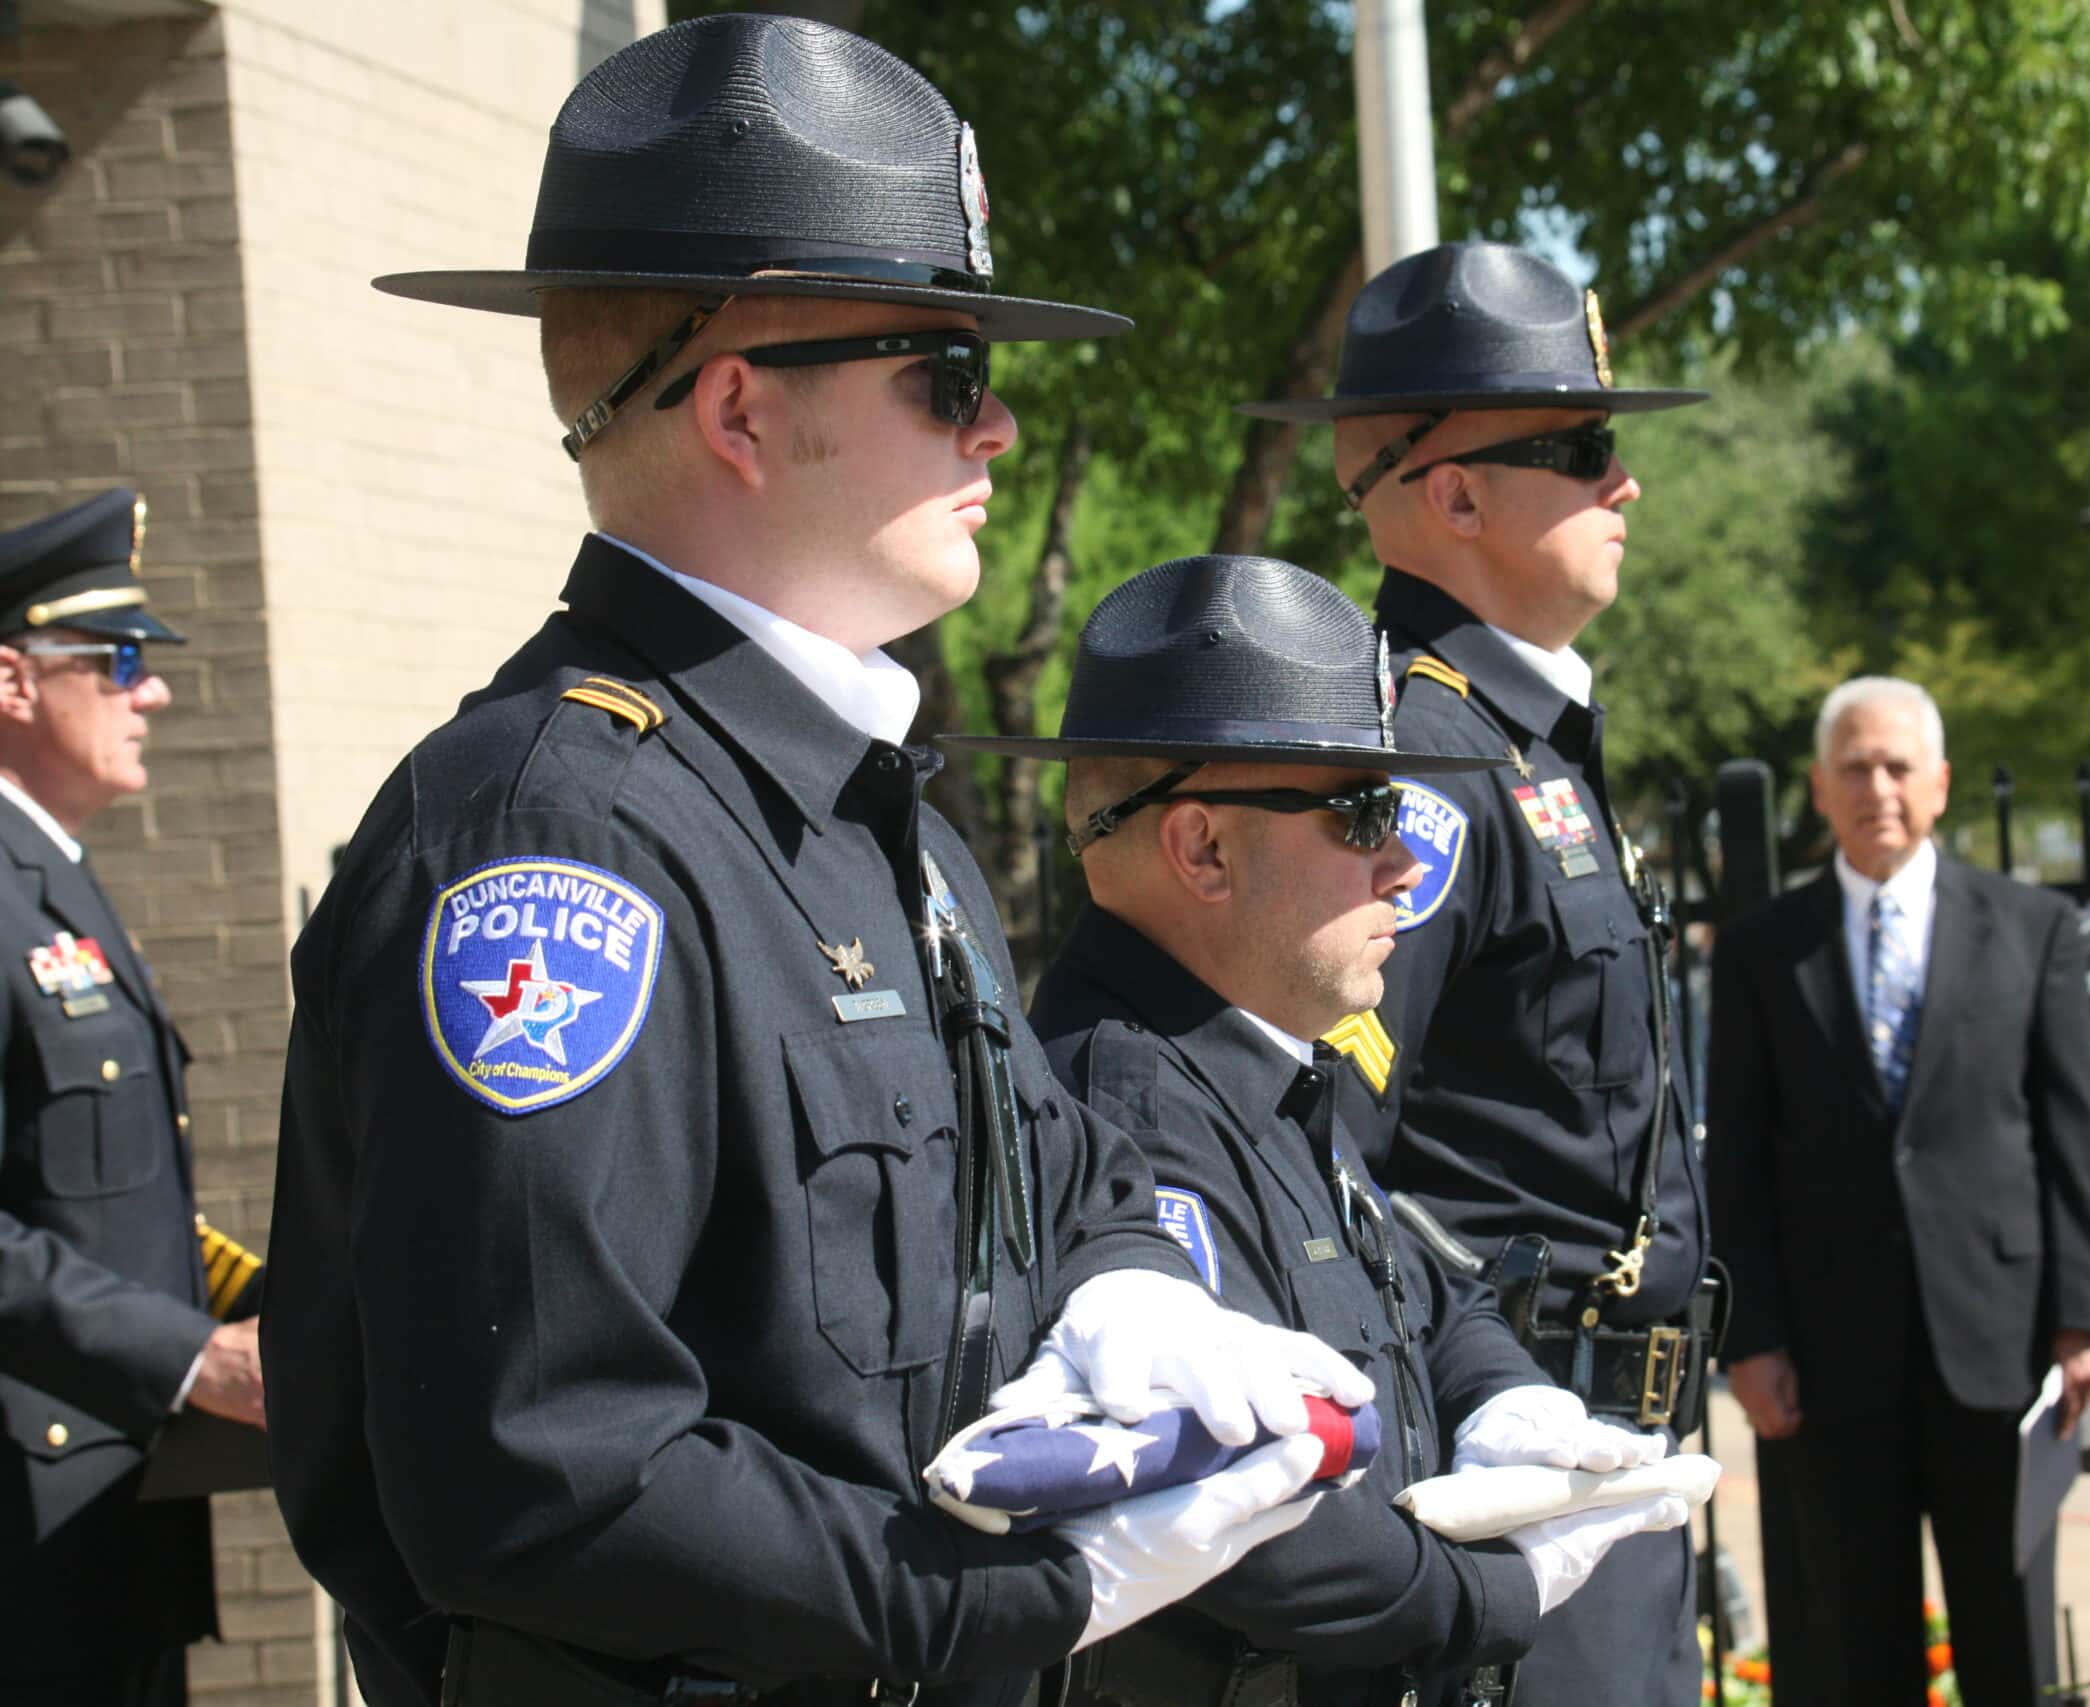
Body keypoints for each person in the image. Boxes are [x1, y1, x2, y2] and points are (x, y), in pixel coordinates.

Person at [260, 21, 1368, 1707]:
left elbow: (1063, 1180)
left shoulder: (880, 820)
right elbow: (545, 1468)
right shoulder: (561, 838)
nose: (995, 428)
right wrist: (1005, 1601)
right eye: (944, 370)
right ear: (738, 412)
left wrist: (1143, 1298)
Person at [949, 554, 1697, 1707]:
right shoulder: (1124, 1111)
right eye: (1361, 812)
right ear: (1200, 848)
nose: (1403, 863)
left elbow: (1417, 1285)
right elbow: (1255, 1516)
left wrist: (1502, 1397)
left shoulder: (1253, 1064)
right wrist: (1496, 1598)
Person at [1237, 239, 1715, 1707]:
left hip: (1597, 1470)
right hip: (1507, 1481)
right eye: (1582, 447)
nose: (1622, 483)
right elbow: (1319, 1150)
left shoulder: (1514, 738)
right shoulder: (1427, 763)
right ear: (1453, 492)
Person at [1706, 674, 2090, 1705]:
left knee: (2008, 1642)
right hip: (1827, 1355)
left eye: (1897, 766)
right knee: (1853, 1645)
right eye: (1853, 767)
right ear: (1818, 785)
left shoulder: (2031, 929)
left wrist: (2086, 1318)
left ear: (1937, 784)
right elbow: (1738, 1162)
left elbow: (2074, 1135)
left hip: (1999, 1342)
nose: (1876, 787)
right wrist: (1747, 1340)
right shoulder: (1762, 950)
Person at [0, 487, 267, 1707]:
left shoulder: (52, 875)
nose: (149, 690)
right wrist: (193, 1357)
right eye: (116, 661)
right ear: (13, 681)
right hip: (30, 1524)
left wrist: (273, 1301)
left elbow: (101, 1195)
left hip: (110, 1511)